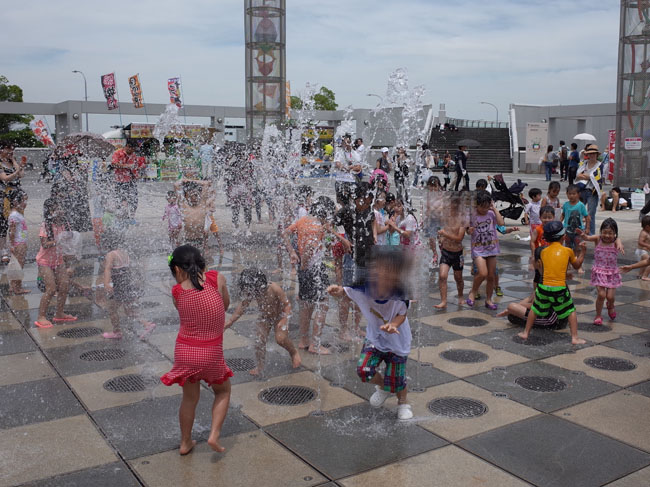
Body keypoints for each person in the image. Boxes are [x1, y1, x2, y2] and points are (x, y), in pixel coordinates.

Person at [327, 247, 414, 420]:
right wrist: (337, 291)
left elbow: (402, 314)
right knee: (364, 370)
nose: (383, 276)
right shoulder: (362, 288)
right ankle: (383, 386)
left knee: (397, 379)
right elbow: (344, 292)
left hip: (398, 341)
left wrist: (393, 324)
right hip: (375, 339)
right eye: (379, 269)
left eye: (390, 272)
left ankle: (403, 403)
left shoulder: (400, 294)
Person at [161, 245, 232, 455]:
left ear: (177, 270)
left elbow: (184, 312)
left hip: (185, 353)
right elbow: (225, 305)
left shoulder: (177, 291)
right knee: (223, 391)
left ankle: (185, 443)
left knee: (189, 398)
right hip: (211, 353)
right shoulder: (216, 279)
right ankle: (214, 435)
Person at [284, 197, 339, 354]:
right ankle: (315, 344)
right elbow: (309, 247)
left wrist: (293, 253)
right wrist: (304, 263)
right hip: (313, 268)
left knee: (305, 304)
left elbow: (285, 233)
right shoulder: (316, 227)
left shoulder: (303, 220)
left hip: (304, 269)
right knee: (323, 303)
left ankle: (303, 340)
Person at [518, 221, 586, 345]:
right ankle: (575, 337)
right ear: (563, 236)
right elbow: (576, 266)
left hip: (543, 286)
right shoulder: (568, 251)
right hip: (559, 288)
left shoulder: (543, 252)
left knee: (535, 308)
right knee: (571, 310)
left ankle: (525, 332)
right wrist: (582, 253)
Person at [226, 268, 301, 375]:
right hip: (265, 317)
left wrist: (284, 319)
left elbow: (287, 304)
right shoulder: (253, 291)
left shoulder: (274, 288)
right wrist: (231, 320)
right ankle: (260, 366)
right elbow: (243, 305)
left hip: (280, 316)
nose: (249, 291)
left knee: (280, 339)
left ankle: (293, 353)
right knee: (259, 340)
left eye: (249, 288)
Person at [101, 232, 156, 340]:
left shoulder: (111, 254)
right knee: (129, 310)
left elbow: (107, 269)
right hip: (127, 285)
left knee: (112, 309)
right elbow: (125, 270)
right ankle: (147, 324)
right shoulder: (124, 253)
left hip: (120, 287)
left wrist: (106, 283)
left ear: (107, 243)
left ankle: (117, 332)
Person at [34, 199, 76, 328]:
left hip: (59, 260)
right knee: (51, 289)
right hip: (45, 261)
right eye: (54, 209)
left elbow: (70, 240)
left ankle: (59, 313)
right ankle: (41, 316)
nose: (58, 211)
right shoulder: (45, 225)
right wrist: (58, 241)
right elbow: (45, 245)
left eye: (59, 208)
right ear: (49, 211)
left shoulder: (65, 224)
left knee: (64, 286)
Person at [466, 191, 504, 309]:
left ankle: (489, 300)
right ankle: (473, 292)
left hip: (492, 248)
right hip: (478, 249)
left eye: (487, 206)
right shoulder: (472, 215)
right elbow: (467, 230)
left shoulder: (491, 213)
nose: (485, 209)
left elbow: (501, 223)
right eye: (482, 207)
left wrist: (494, 209)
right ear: (476, 204)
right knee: (482, 273)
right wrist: (469, 230)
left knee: (491, 276)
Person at [582, 218, 622, 325]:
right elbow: (587, 237)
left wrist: (619, 244)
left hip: (612, 273)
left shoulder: (615, 241)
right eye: (605, 232)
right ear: (601, 232)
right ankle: (598, 315)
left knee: (610, 297)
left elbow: (618, 240)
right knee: (601, 295)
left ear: (615, 234)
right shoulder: (598, 239)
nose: (607, 236)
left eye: (610, 233)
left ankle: (611, 305)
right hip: (599, 272)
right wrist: (583, 236)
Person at [435, 195, 466, 309]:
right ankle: (443, 301)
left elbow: (459, 238)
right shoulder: (445, 217)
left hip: (458, 254)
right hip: (446, 252)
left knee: (458, 278)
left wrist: (445, 234)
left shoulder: (462, 220)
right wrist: (440, 238)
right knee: (443, 276)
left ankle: (461, 296)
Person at [0, 140, 25, 263]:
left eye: (12, 149)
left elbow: (21, 175)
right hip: (4, 197)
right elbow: (4, 178)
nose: (11, 151)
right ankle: (3, 250)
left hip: (16, 196)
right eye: (8, 149)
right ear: (1, 149)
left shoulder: (11, 161)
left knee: (16, 222)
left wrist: (14, 161)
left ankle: (15, 246)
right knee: (3, 224)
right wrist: (16, 173)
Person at [175, 179, 214, 251]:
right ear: (187, 197)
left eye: (195, 195)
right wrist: (186, 180)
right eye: (191, 196)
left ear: (199, 196)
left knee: (199, 260)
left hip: (200, 240)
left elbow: (206, 184)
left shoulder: (202, 205)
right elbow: (176, 185)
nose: (194, 198)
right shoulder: (184, 206)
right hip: (187, 240)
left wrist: (192, 180)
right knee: (186, 260)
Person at [110, 141, 145, 220]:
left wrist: (137, 174)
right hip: (119, 181)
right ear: (128, 146)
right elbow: (113, 164)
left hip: (131, 180)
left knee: (134, 200)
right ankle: (121, 217)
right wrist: (126, 166)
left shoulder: (133, 155)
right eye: (133, 149)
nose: (133, 151)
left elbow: (134, 167)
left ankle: (132, 217)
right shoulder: (117, 153)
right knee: (120, 200)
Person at [562, 184, 590, 273]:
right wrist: (559, 225)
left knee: (578, 248)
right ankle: (568, 264)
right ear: (567, 194)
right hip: (567, 231)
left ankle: (579, 266)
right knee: (568, 248)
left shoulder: (581, 205)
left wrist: (587, 228)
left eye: (574, 194)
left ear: (578, 194)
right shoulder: (566, 205)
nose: (571, 196)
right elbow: (563, 215)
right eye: (569, 194)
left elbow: (587, 217)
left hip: (578, 231)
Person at [576, 145, 603, 236]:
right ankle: (578, 230)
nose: (592, 156)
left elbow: (597, 178)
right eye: (590, 154)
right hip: (581, 190)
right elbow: (578, 175)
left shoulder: (599, 165)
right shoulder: (584, 163)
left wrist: (587, 176)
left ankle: (591, 233)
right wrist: (589, 177)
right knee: (578, 210)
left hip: (592, 191)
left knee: (591, 213)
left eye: (593, 154)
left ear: (596, 155)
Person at [7, 190, 28, 294]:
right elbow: (12, 231)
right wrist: (12, 245)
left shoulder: (17, 214)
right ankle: (17, 288)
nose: (26, 203)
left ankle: (13, 286)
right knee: (19, 266)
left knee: (16, 265)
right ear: (16, 202)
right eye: (24, 201)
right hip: (19, 243)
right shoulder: (14, 215)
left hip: (20, 242)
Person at [530, 205, 555, 287]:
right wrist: (534, 254)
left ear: (553, 218)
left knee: (550, 274)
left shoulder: (554, 229)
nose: (547, 220)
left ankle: (548, 289)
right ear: (540, 217)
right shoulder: (538, 229)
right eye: (544, 217)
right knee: (538, 275)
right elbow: (532, 241)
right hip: (540, 256)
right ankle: (535, 292)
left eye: (549, 217)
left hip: (551, 256)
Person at [334, 135, 363, 207]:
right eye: (345, 142)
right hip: (341, 180)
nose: (347, 144)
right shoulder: (339, 153)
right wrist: (346, 167)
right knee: (340, 201)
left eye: (349, 142)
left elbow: (359, 167)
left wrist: (351, 167)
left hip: (351, 181)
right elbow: (338, 164)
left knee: (352, 200)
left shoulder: (355, 154)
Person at [423, 176, 443, 267]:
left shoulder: (441, 195)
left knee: (441, 239)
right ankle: (435, 254)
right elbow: (427, 208)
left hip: (441, 220)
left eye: (435, 186)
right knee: (431, 239)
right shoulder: (428, 195)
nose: (433, 188)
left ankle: (443, 253)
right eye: (431, 186)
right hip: (431, 220)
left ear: (439, 186)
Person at [635, 216, 650, 281]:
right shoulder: (643, 233)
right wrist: (648, 245)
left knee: (644, 264)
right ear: (647, 227)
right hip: (641, 251)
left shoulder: (647, 232)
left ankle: (640, 275)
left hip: (644, 251)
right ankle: (645, 276)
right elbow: (640, 242)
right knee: (649, 262)